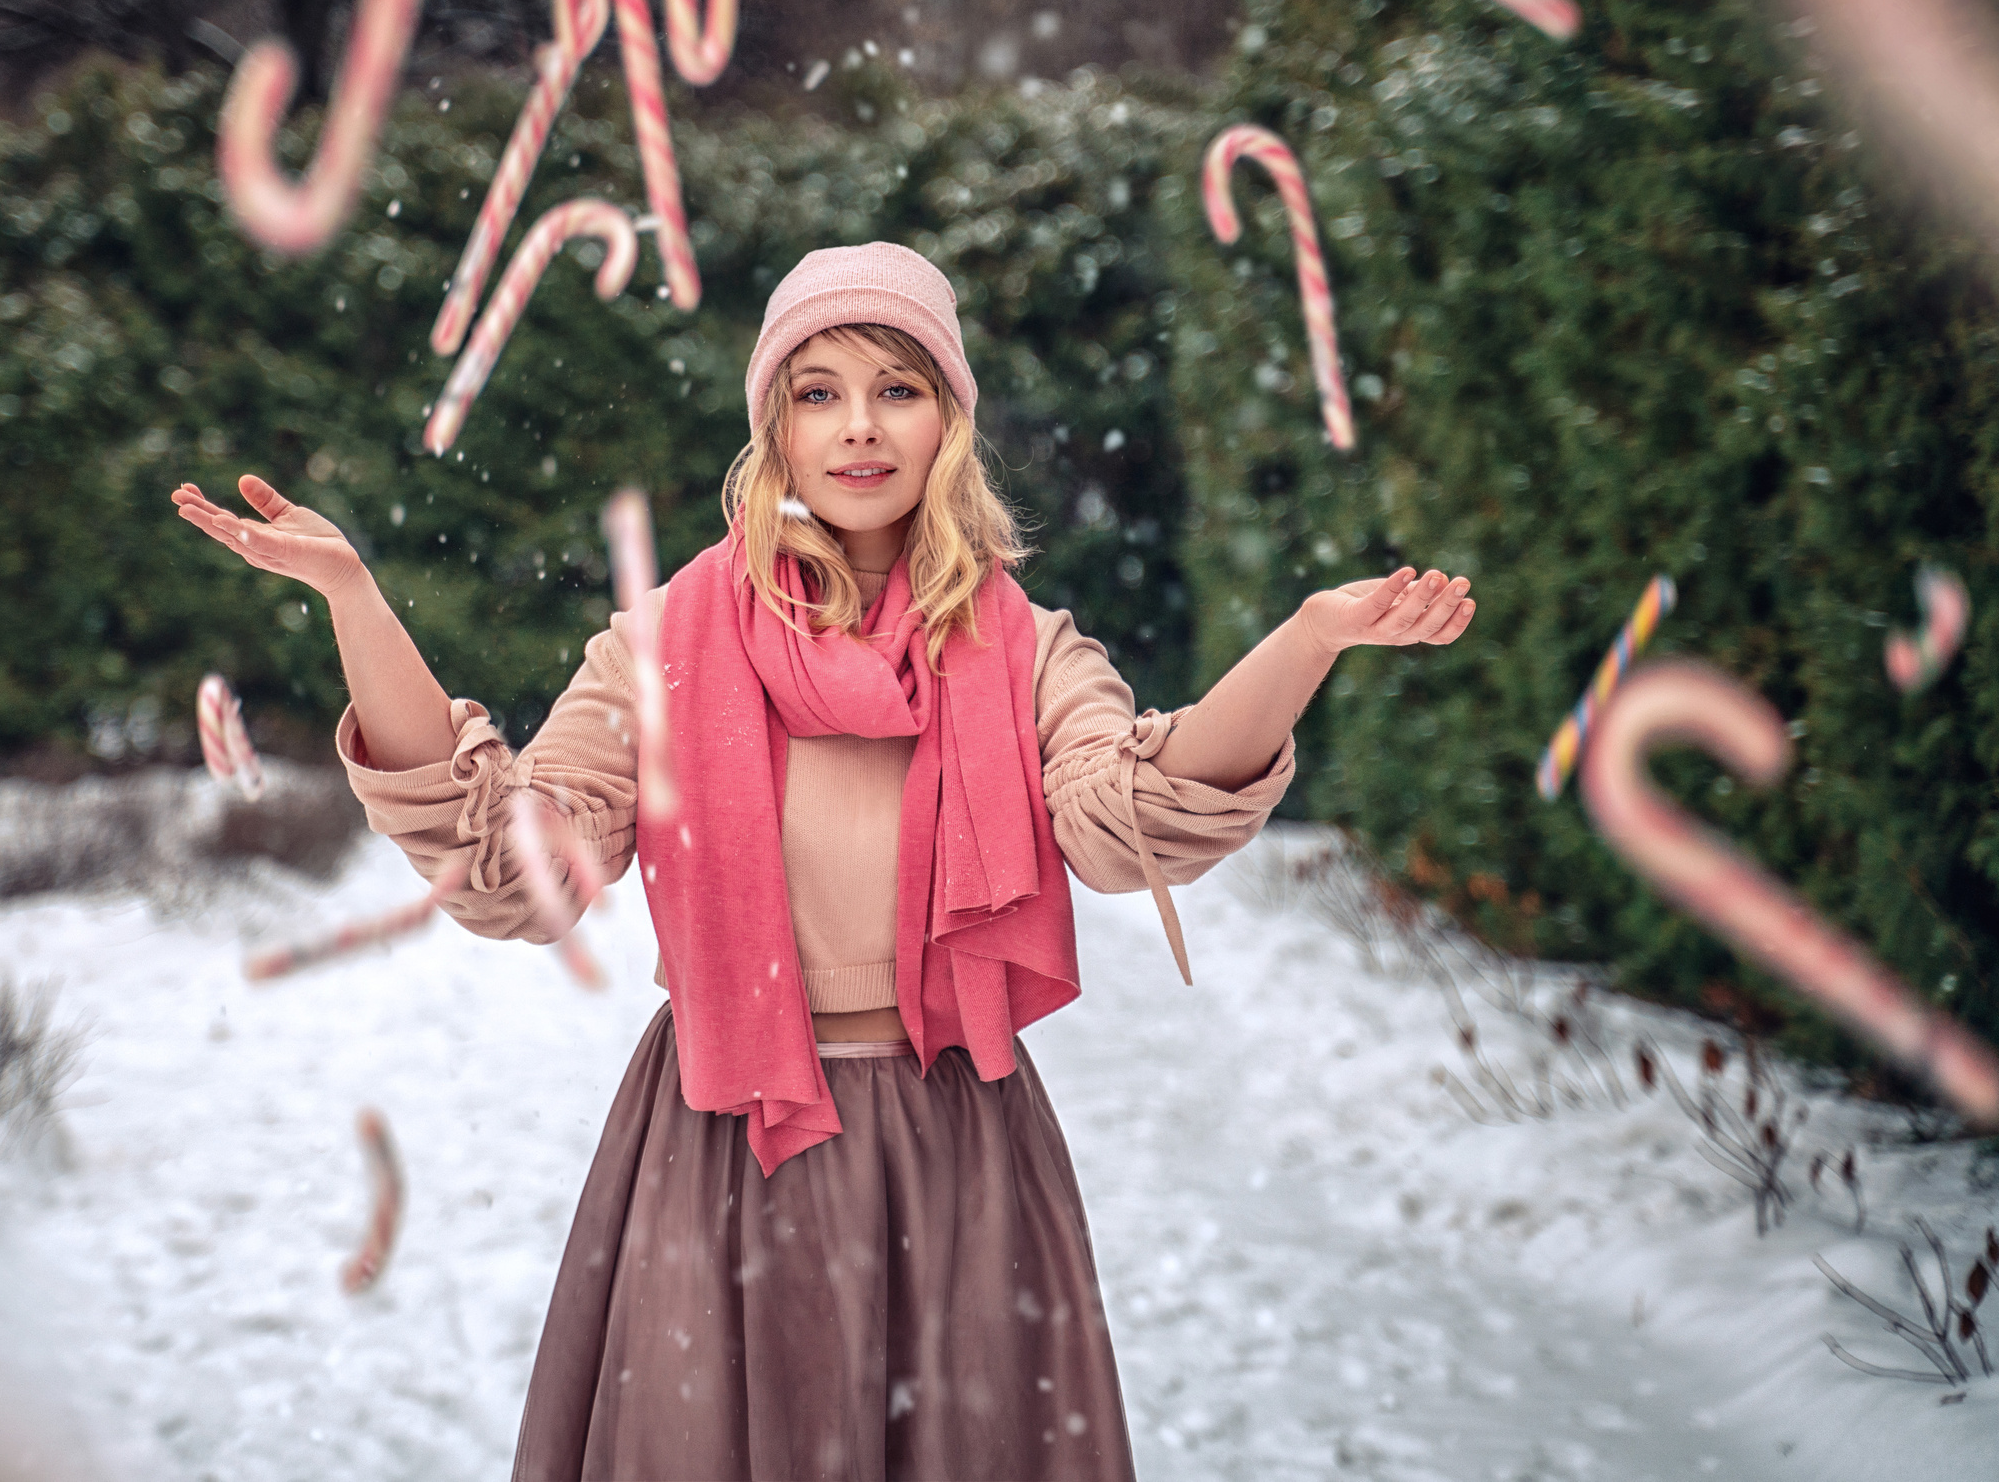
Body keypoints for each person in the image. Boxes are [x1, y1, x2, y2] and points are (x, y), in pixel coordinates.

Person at [172, 242, 1476, 1481]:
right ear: (775, 430)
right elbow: (520, 863)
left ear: (948, 423)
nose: (859, 427)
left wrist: (1307, 643)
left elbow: (1130, 814)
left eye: (898, 389)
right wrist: (357, 603)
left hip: (956, 1152)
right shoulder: (663, 646)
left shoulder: (1024, 649)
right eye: (819, 392)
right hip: (722, 1149)